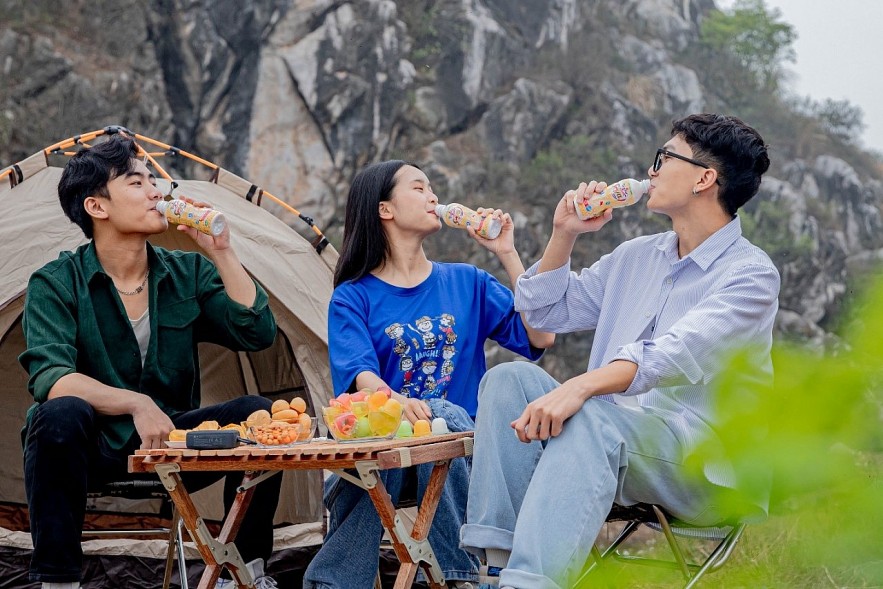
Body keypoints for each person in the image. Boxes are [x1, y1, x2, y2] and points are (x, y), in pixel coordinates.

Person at [459, 113, 781, 589]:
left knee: (591, 413)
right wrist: (565, 232)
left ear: (704, 178)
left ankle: (530, 584)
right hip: (608, 441)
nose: (650, 171)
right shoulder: (637, 255)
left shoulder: (751, 276)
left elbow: (672, 353)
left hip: (702, 464)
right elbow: (545, 313)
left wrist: (581, 387)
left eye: (663, 158)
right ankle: (497, 569)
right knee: (508, 379)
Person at [18, 135, 282, 589]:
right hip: (92, 451)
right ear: (97, 207)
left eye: (154, 182)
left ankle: (243, 575)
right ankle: (58, 582)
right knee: (57, 414)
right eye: (137, 182)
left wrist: (221, 251)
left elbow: (255, 332)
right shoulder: (55, 282)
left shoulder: (187, 272)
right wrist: (136, 403)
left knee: (257, 415)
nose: (157, 192)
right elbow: (52, 378)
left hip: (175, 445)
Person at [302, 161, 554, 589]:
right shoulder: (353, 297)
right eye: (419, 188)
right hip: (395, 453)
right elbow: (362, 376)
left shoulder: (467, 281)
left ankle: (435, 575)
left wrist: (507, 253)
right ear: (385, 209)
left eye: (432, 188)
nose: (433, 197)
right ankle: (445, 579)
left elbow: (541, 336)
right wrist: (398, 402)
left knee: (439, 415)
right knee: (388, 442)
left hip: (466, 451)